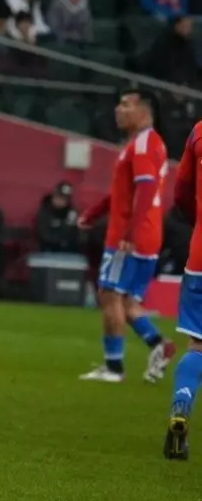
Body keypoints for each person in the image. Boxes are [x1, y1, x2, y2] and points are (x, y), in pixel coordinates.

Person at [77, 91, 176, 384]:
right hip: (148, 234)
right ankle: (159, 344)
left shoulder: (144, 144)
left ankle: (113, 368)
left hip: (130, 235)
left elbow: (145, 189)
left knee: (109, 295)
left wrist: (130, 231)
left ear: (144, 112)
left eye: (125, 105)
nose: (118, 110)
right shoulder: (145, 143)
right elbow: (124, 192)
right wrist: (94, 213)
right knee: (128, 302)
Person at [166, 120, 202, 460]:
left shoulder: (198, 131)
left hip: (200, 254)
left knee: (198, 344)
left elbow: (181, 191)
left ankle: (182, 403)